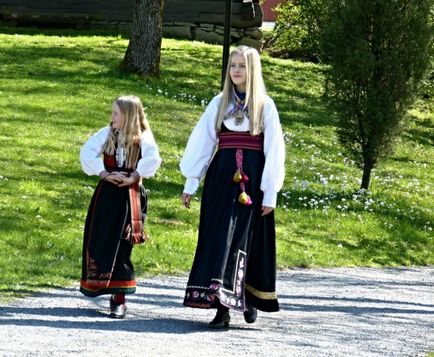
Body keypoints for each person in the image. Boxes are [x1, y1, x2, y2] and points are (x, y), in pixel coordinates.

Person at [180, 46, 285, 328]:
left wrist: (271, 191)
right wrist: (192, 181)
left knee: (247, 239)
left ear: (253, 70)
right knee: (219, 237)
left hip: (253, 178)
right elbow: (202, 143)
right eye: (233, 65)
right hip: (222, 177)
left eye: (242, 66)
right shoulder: (219, 103)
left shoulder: (265, 105)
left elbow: (275, 149)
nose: (236, 71)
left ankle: (247, 298)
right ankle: (222, 308)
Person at [79, 95, 161, 319]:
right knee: (102, 241)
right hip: (106, 198)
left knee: (123, 246)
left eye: (116, 113)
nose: (111, 117)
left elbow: (153, 159)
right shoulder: (106, 134)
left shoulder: (143, 137)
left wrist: (134, 175)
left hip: (130, 198)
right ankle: (101, 285)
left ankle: (119, 299)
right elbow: (86, 153)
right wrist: (104, 173)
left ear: (128, 115)